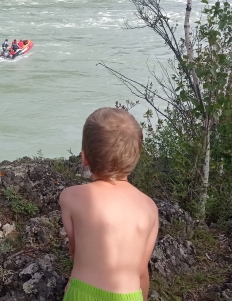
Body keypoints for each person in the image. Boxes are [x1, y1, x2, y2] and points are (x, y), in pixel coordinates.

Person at [59, 107, 159, 301]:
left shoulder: (71, 197)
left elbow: (75, 251)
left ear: (84, 158)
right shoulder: (149, 208)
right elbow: (141, 271)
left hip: (82, 293)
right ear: (135, 159)